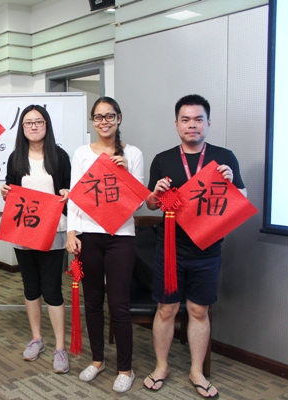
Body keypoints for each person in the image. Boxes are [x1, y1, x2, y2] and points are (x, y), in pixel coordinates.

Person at [143, 94, 247, 398]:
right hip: (170, 248)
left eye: (198, 119)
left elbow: (243, 199)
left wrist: (232, 184)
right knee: (166, 309)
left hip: (208, 249)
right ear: (176, 124)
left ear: (208, 123)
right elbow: (151, 204)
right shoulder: (163, 159)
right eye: (186, 119)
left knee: (199, 310)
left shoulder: (223, 158)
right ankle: (161, 366)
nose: (192, 125)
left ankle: (196, 371)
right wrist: (155, 193)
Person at [65, 97, 143, 393]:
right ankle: (97, 360)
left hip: (121, 236)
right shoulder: (82, 153)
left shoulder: (133, 153)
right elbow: (75, 194)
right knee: (93, 301)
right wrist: (72, 232)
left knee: (119, 304)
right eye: (98, 117)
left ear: (119, 118)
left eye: (109, 116)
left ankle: (126, 368)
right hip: (89, 234)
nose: (104, 122)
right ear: (93, 121)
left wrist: (124, 173)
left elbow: (137, 201)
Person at [1, 104, 71, 374]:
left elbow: (68, 188)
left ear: (46, 125)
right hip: (24, 229)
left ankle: (60, 347)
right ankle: (37, 339)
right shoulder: (16, 157)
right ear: (22, 128)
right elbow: (11, 186)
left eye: (38, 122)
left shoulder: (59, 156)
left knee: (52, 289)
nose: (33, 126)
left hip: (54, 228)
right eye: (28, 123)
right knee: (30, 287)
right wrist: (7, 191)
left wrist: (67, 192)